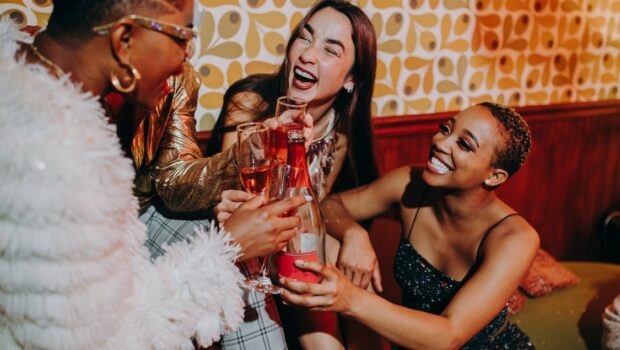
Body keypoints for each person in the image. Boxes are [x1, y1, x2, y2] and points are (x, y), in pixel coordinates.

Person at [0, 0, 308, 348]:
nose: (187, 57)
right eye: (182, 37)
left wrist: (257, 147)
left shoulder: (43, 86)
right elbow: (105, 339)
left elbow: (174, 178)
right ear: (124, 40)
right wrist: (227, 250)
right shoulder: (46, 157)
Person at [279, 102, 540, 349]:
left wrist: (348, 298)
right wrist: (354, 233)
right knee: (327, 242)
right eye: (446, 129)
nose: (441, 142)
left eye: (463, 144)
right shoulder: (411, 182)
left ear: (494, 176)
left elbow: (449, 337)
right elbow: (330, 206)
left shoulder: (516, 238)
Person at [209, 1, 380, 348]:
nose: (308, 54)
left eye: (330, 49)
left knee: (357, 282)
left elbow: (316, 207)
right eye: (305, 38)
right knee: (316, 255)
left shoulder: (340, 134)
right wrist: (280, 143)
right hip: (242, 244)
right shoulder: (249, 103)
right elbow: (238, 207)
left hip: (291, 245)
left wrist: (354, 234)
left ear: (351, 79)